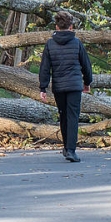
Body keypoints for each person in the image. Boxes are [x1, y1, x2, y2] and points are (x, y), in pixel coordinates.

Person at [39, 10, 93, 163]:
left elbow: (44, 67)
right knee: (73, 116)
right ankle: (70, 150)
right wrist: (87, 83)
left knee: (63, 115)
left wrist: (43, 88)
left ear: (56, 27)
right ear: (71, 27)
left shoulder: (50, 44)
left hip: (59, 87)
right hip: (75, 86)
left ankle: (66, 147)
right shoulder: (77, 43)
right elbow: (86, 65)